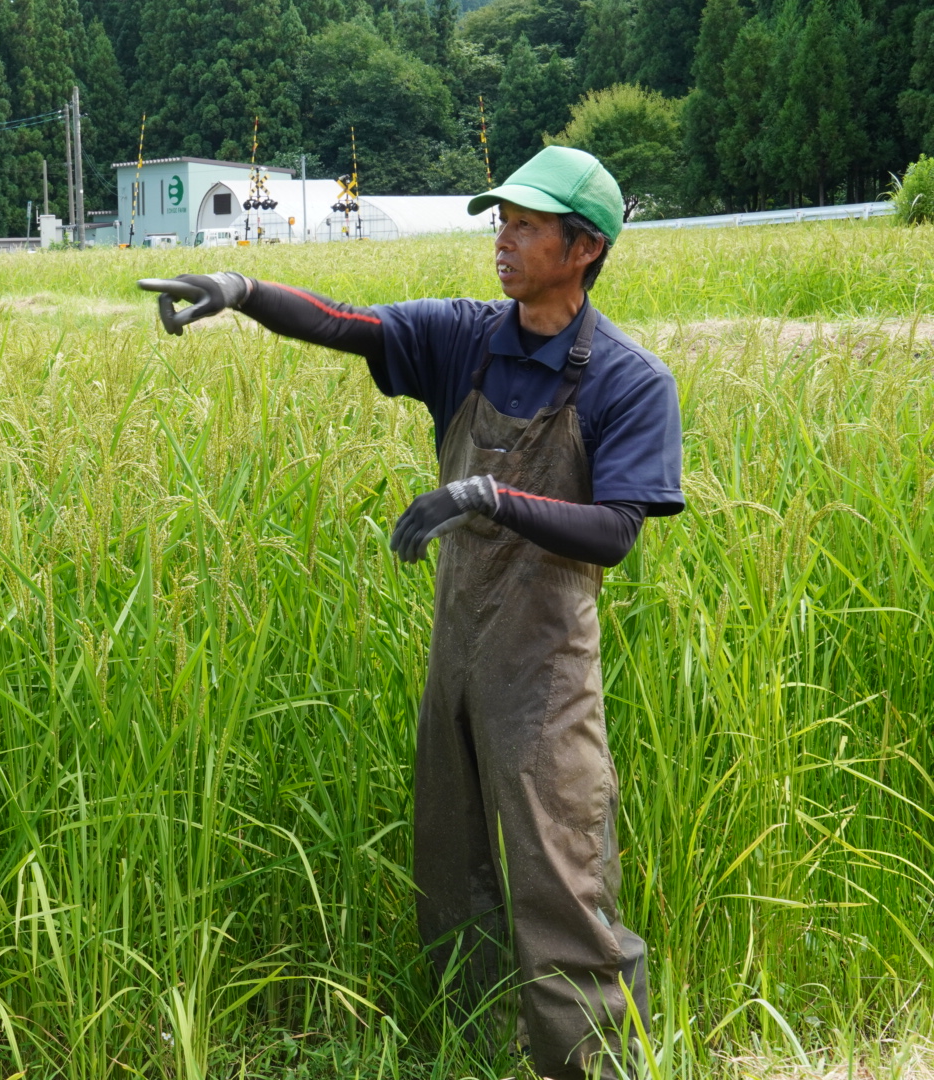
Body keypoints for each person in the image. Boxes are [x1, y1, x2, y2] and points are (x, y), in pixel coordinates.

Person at [138, 146, 682, 1080]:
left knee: (565, 893)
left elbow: (617, 531)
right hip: (457, 661)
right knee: (452, 876)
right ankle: (470, 1060)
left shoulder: (629, 383)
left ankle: (599, 1071)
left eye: (525, 225)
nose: (502, 239)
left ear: (584, 246)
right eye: (499, 220)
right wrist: (240, 286)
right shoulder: (468, 337)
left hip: (546, 678)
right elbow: (348, 323)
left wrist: (492, 498)